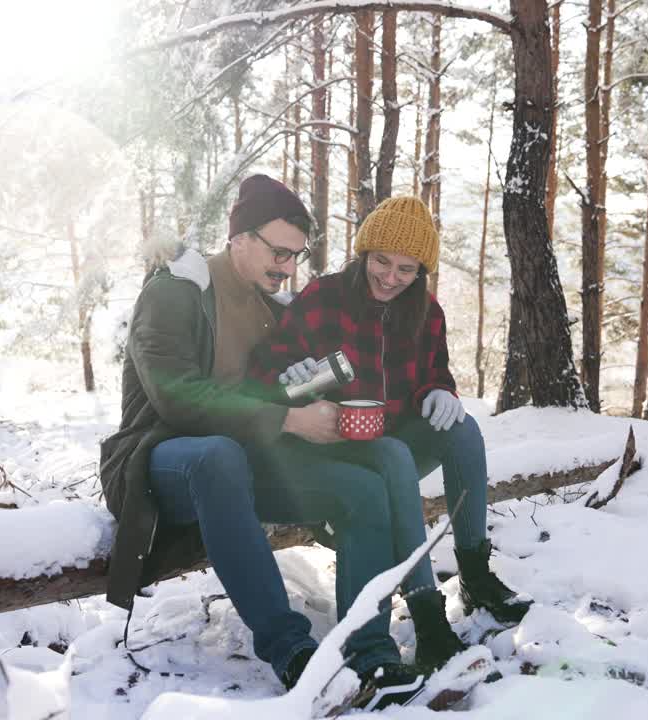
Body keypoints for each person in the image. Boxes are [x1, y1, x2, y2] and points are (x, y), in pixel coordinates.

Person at [99, 175, 425, 695]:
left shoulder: (277, 310)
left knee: (361, 491)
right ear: (239, 238)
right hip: (160, 458)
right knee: (219, 456)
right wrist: (285, 419)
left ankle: (370, 653)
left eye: (296, 256)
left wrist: (314, 395)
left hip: (246, 465)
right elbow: (177, 397)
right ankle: (291, 650)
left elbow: (273, 392)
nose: (288, 266)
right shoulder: (174, 293)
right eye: (279, 252)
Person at [250, 195, 532, 672]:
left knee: (464, 432)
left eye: (407, 269)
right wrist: (290, 375)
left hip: (391, 440)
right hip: (331, 448)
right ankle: (427, 615)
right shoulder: (324, 297)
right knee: (396, 454)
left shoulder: (426, 312)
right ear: (364, 254)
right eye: (382, 261)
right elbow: (266, 372)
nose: (391, 277)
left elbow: (433, 375)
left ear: (420, 272)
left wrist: (443, 390)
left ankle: (476, 575)